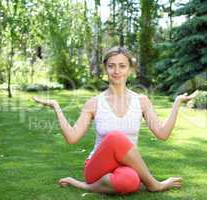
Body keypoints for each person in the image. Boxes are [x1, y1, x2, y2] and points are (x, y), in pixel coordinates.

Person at [33, 46, 198, 195]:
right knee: (115, 137)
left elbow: (163, 134)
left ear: (130, 69)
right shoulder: (94, 103)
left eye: (122, 66)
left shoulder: (141, 101)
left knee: (131, 181)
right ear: (105, 68)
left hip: (124, 167)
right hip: (96, 168)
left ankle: (86, 187)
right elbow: (72, 138)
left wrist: (176, 104)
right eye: (111, 66)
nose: (116, 71)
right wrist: (56, 107)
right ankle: (154, 184)